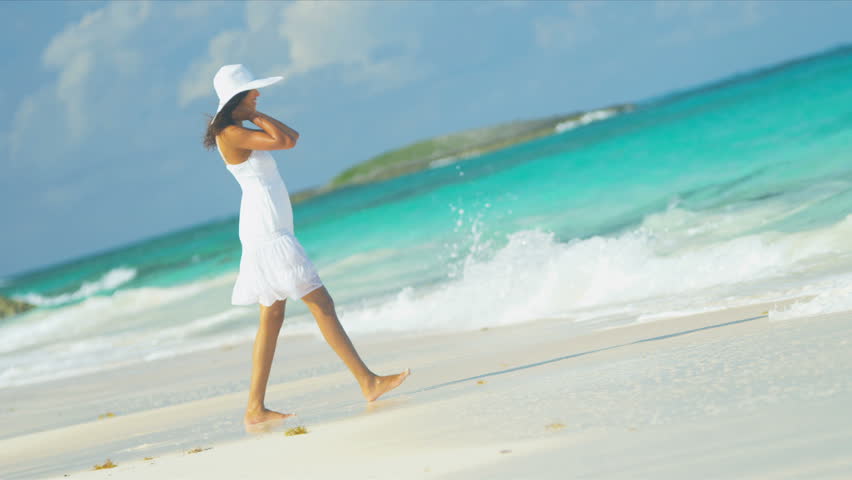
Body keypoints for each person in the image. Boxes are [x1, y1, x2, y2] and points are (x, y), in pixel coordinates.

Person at [202, 64, 409, 427]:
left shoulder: (237, 127)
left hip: (266, 228)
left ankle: (254, 407)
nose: (258, 95)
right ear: (236, 99)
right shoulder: (232, 132)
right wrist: (254, 115)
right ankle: (368, 381)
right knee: (320, 302)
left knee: (272, 317)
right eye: (252, 93)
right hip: (267, 232)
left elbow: (292, 135)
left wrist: (254, 112)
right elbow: (288, 141)